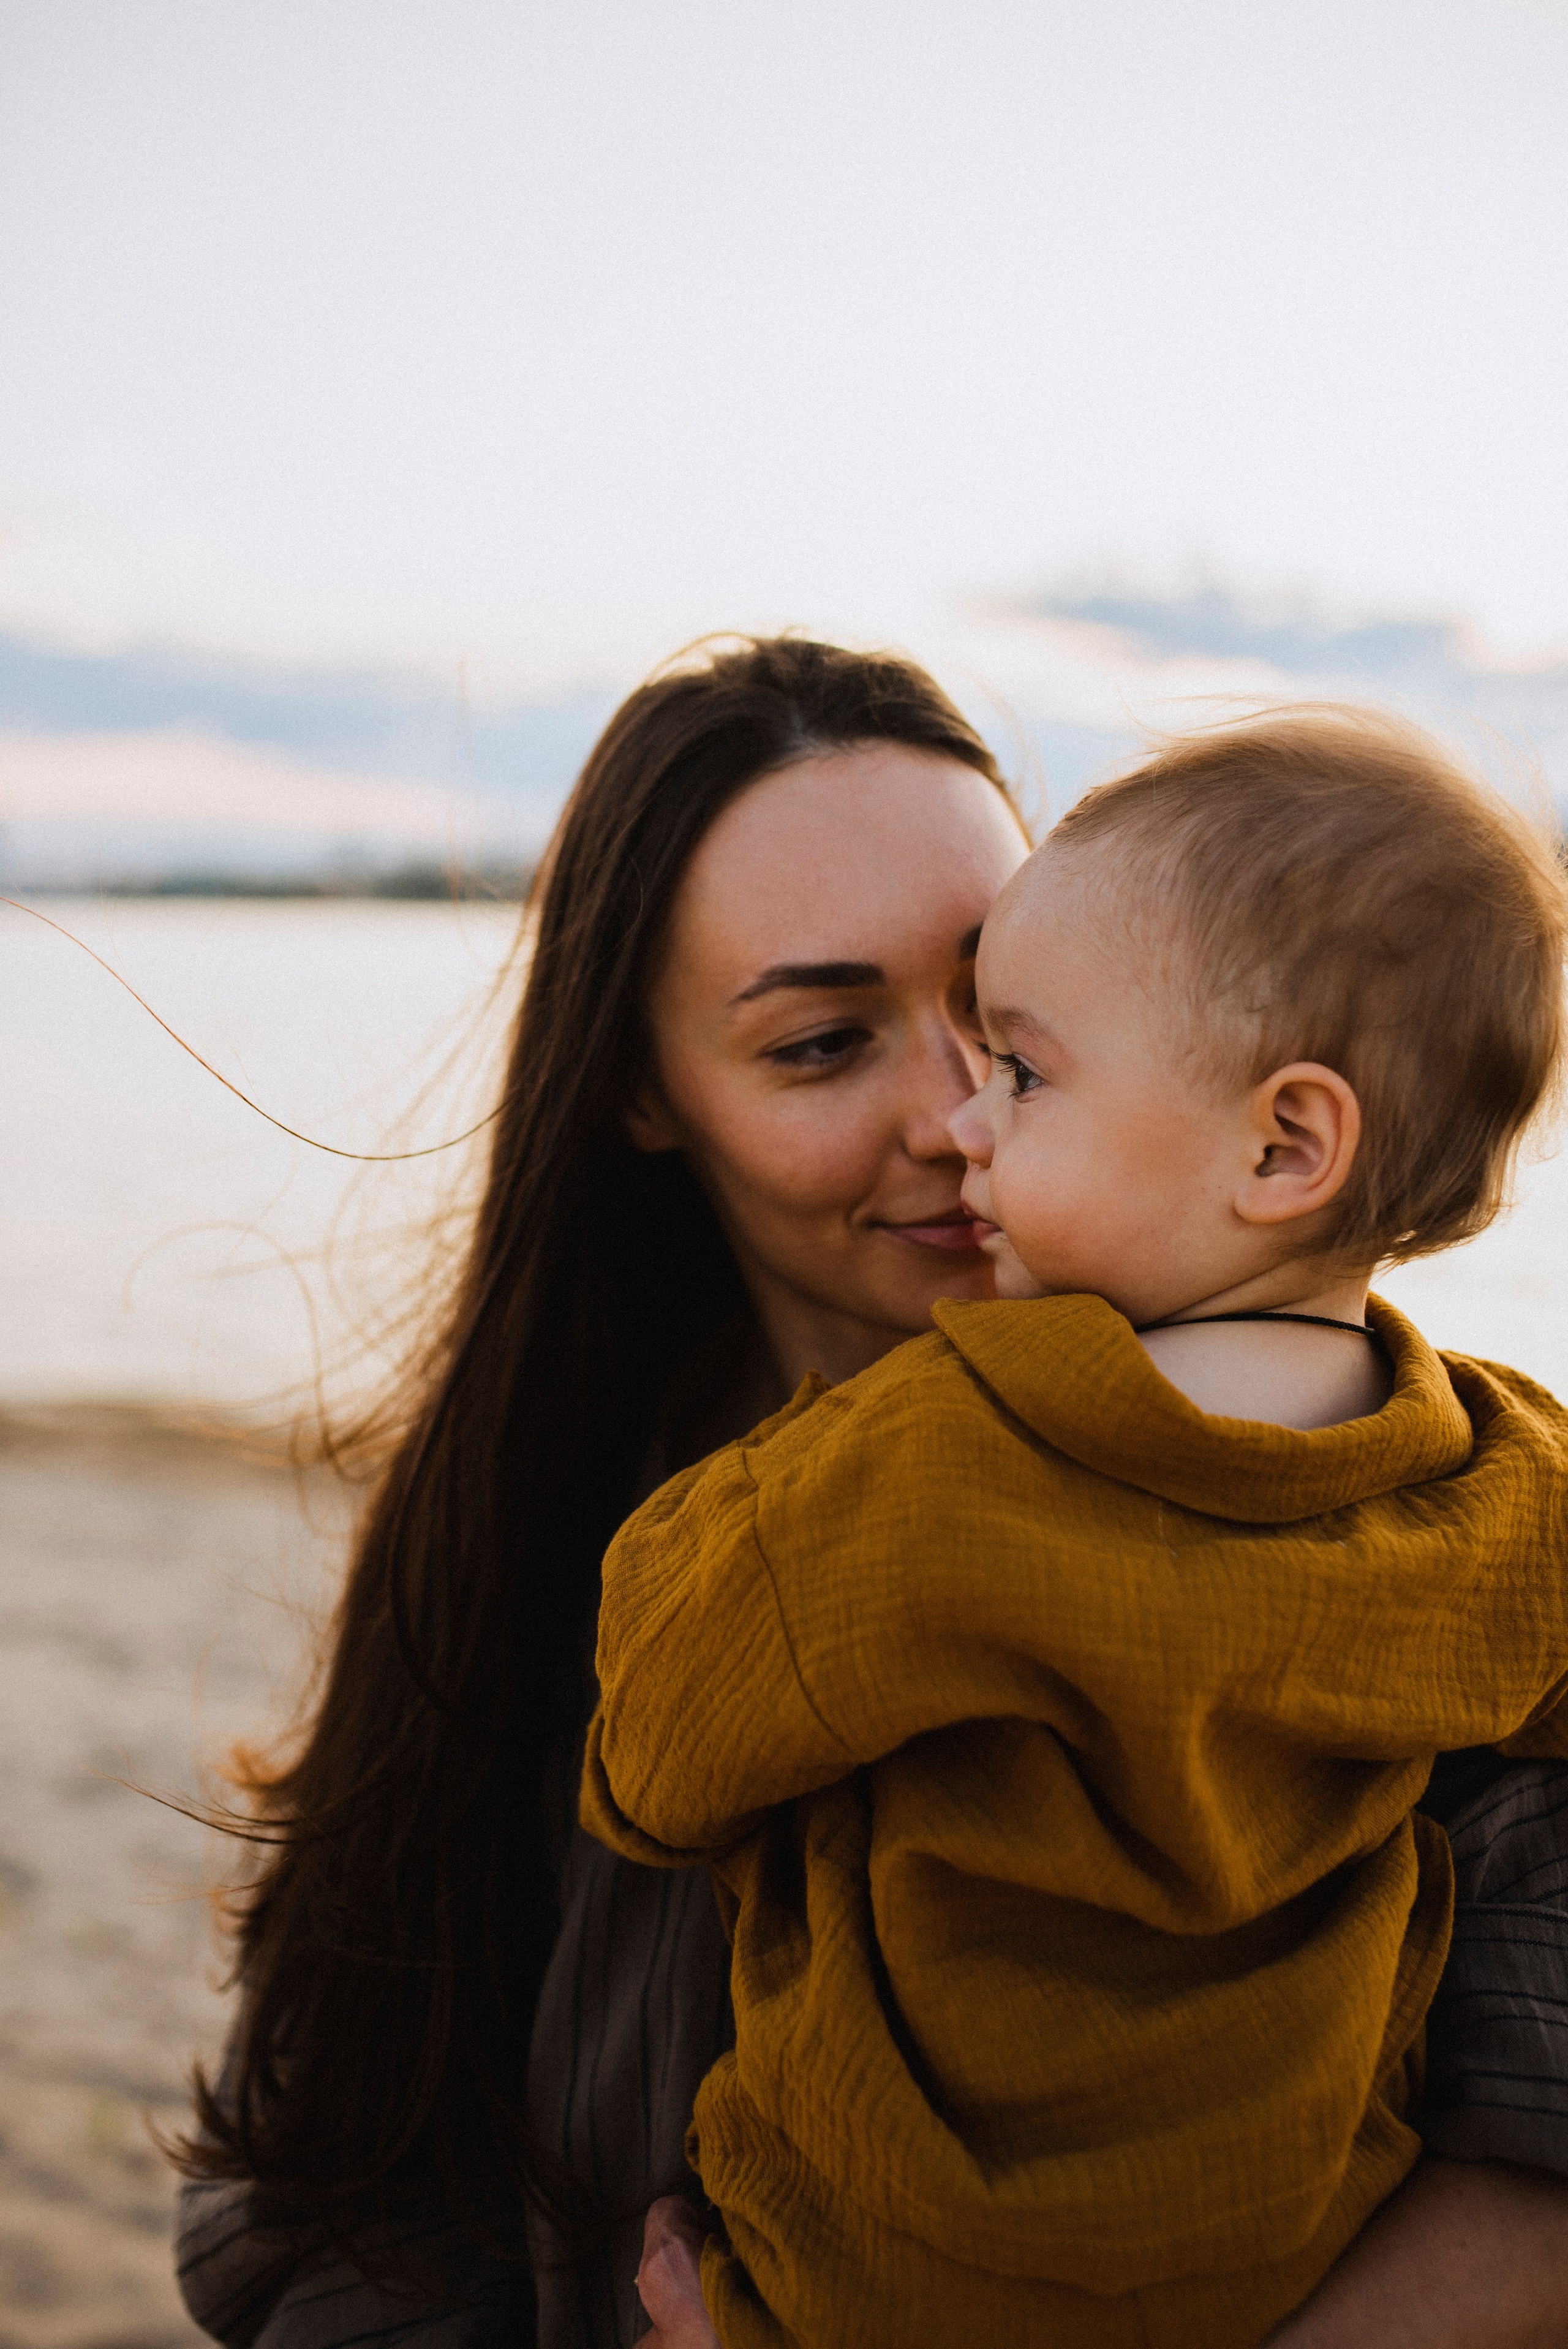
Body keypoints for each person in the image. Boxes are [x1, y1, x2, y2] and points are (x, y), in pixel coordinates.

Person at [173, 645, 1568, 2349]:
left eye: (1010, 1026)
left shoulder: (1454, 1512)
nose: (955, 1111)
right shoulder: (550, 1537)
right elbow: (303, 2197)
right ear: (640, 1088)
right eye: (825, 1042)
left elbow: (1542, 2180)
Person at [585, 706, 1568, 2347]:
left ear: (1282, 1141)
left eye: (1022, 1066)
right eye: (828, 1038)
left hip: (884, 2279)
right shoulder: (1508, 1488)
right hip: (1281, 2249)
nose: (965, 1117)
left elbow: (659, 1752)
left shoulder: (950, 1443)